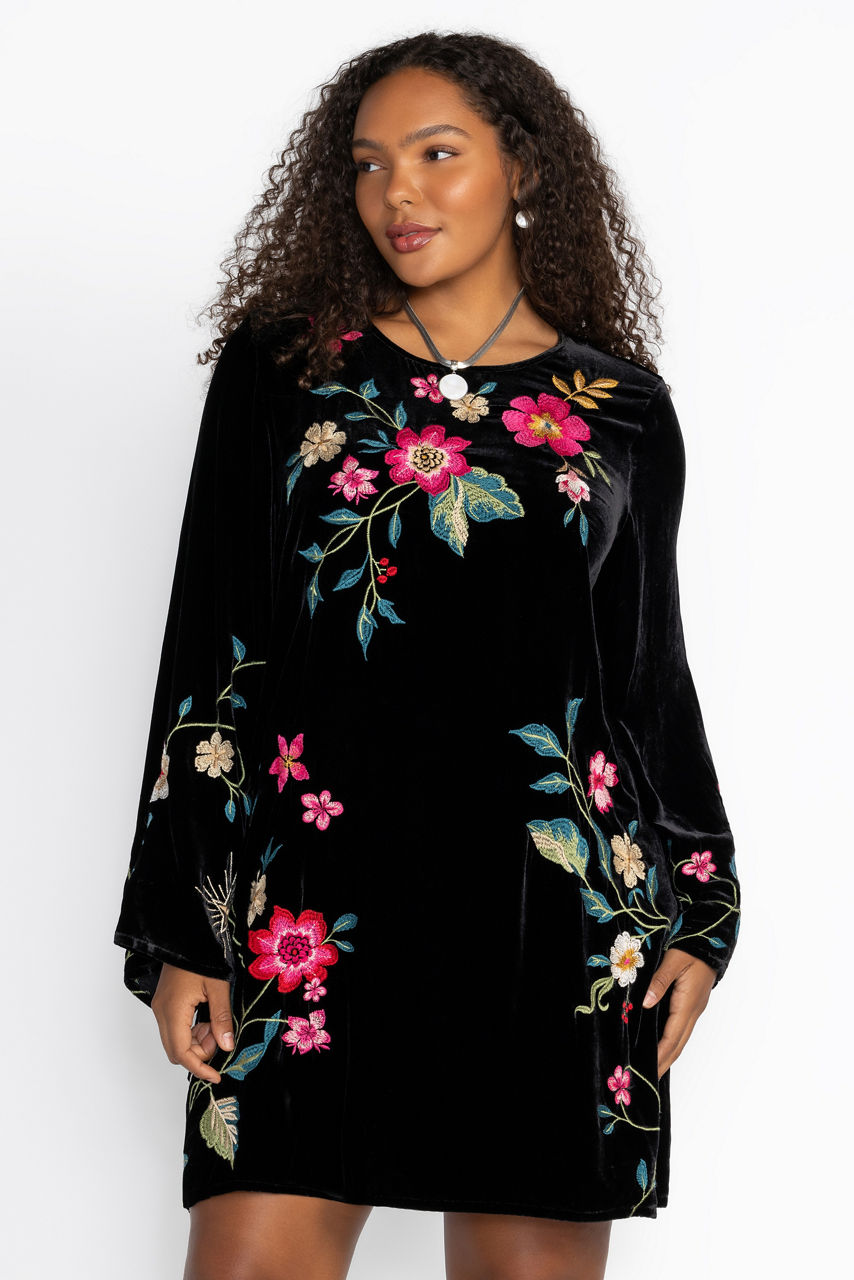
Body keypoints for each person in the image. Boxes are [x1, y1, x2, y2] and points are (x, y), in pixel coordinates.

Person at [114, 30, 741, 1280]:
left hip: (548, 923)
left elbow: (643, 682)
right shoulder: (284, 372)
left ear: (523, 167)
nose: (395, 191)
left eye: (435, 153)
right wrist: (187, 919)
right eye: (366, 163)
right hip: (310, 913)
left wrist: (702, 908)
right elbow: (213, 644)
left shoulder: (620, 410)